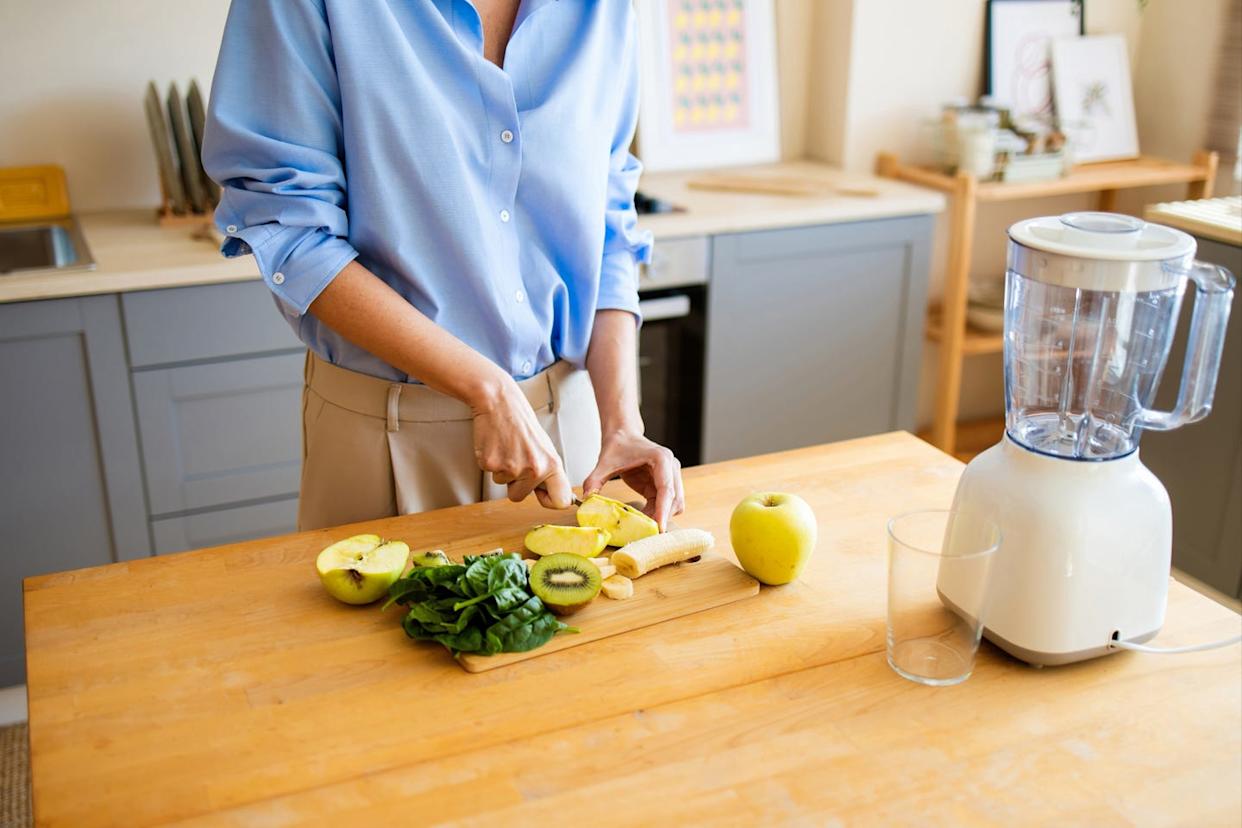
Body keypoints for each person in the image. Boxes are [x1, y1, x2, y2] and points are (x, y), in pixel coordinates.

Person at [202, 0, 684, 532]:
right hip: (390, 440)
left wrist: (622, 422)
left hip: (571, 435)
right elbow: (292, 231)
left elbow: (608, 224)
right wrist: (487, 388)